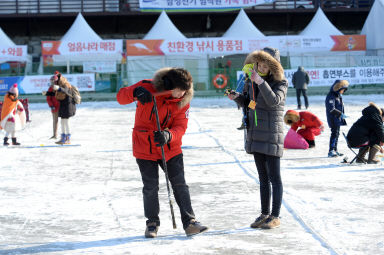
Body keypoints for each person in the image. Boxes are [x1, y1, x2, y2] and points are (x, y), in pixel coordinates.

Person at [116, 67, 208, 238]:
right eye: (179, 90)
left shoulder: (183, 100)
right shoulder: (147, 87)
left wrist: (168, 135)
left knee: (180, 185)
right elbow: (120, 97)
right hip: (145, 147)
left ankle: (190, 222)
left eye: (185, 90)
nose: (182, 93)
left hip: (170, 148)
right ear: (168, 86)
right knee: (150, 187)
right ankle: (152, 223)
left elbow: (181, 126)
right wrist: (134, 92)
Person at [227, 47, 288, 229]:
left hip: (271, 134)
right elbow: (252, 104)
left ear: (273, 67)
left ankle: (275, 216)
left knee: (274, 178)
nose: (260, 67)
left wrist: (260, 81)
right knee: (262, 179)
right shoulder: (252, 82)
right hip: (256, 134)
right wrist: (238, 97)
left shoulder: (281, 83)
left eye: (265, 64)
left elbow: (273, 101)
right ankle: (264, 213)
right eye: (258, 63)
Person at [51, 71, 76, 144]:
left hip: (68, 106)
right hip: (62, 105)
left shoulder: (66, 85)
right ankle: (63, 137)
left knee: (66, 122)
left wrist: (58, 88)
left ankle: (68, 139)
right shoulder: (60, 84)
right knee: (62, 122)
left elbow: (65, 91)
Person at [325, 80, 349, 158]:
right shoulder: (331, 95)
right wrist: (340, 114)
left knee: (337, 134)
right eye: (343, 89)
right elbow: (331, 109)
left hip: (337, 118)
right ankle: (331, 150)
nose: (343, 91)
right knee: (334, 133)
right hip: (333, 118)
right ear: (338, 88)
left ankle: (335, 149)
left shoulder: (338, 96)